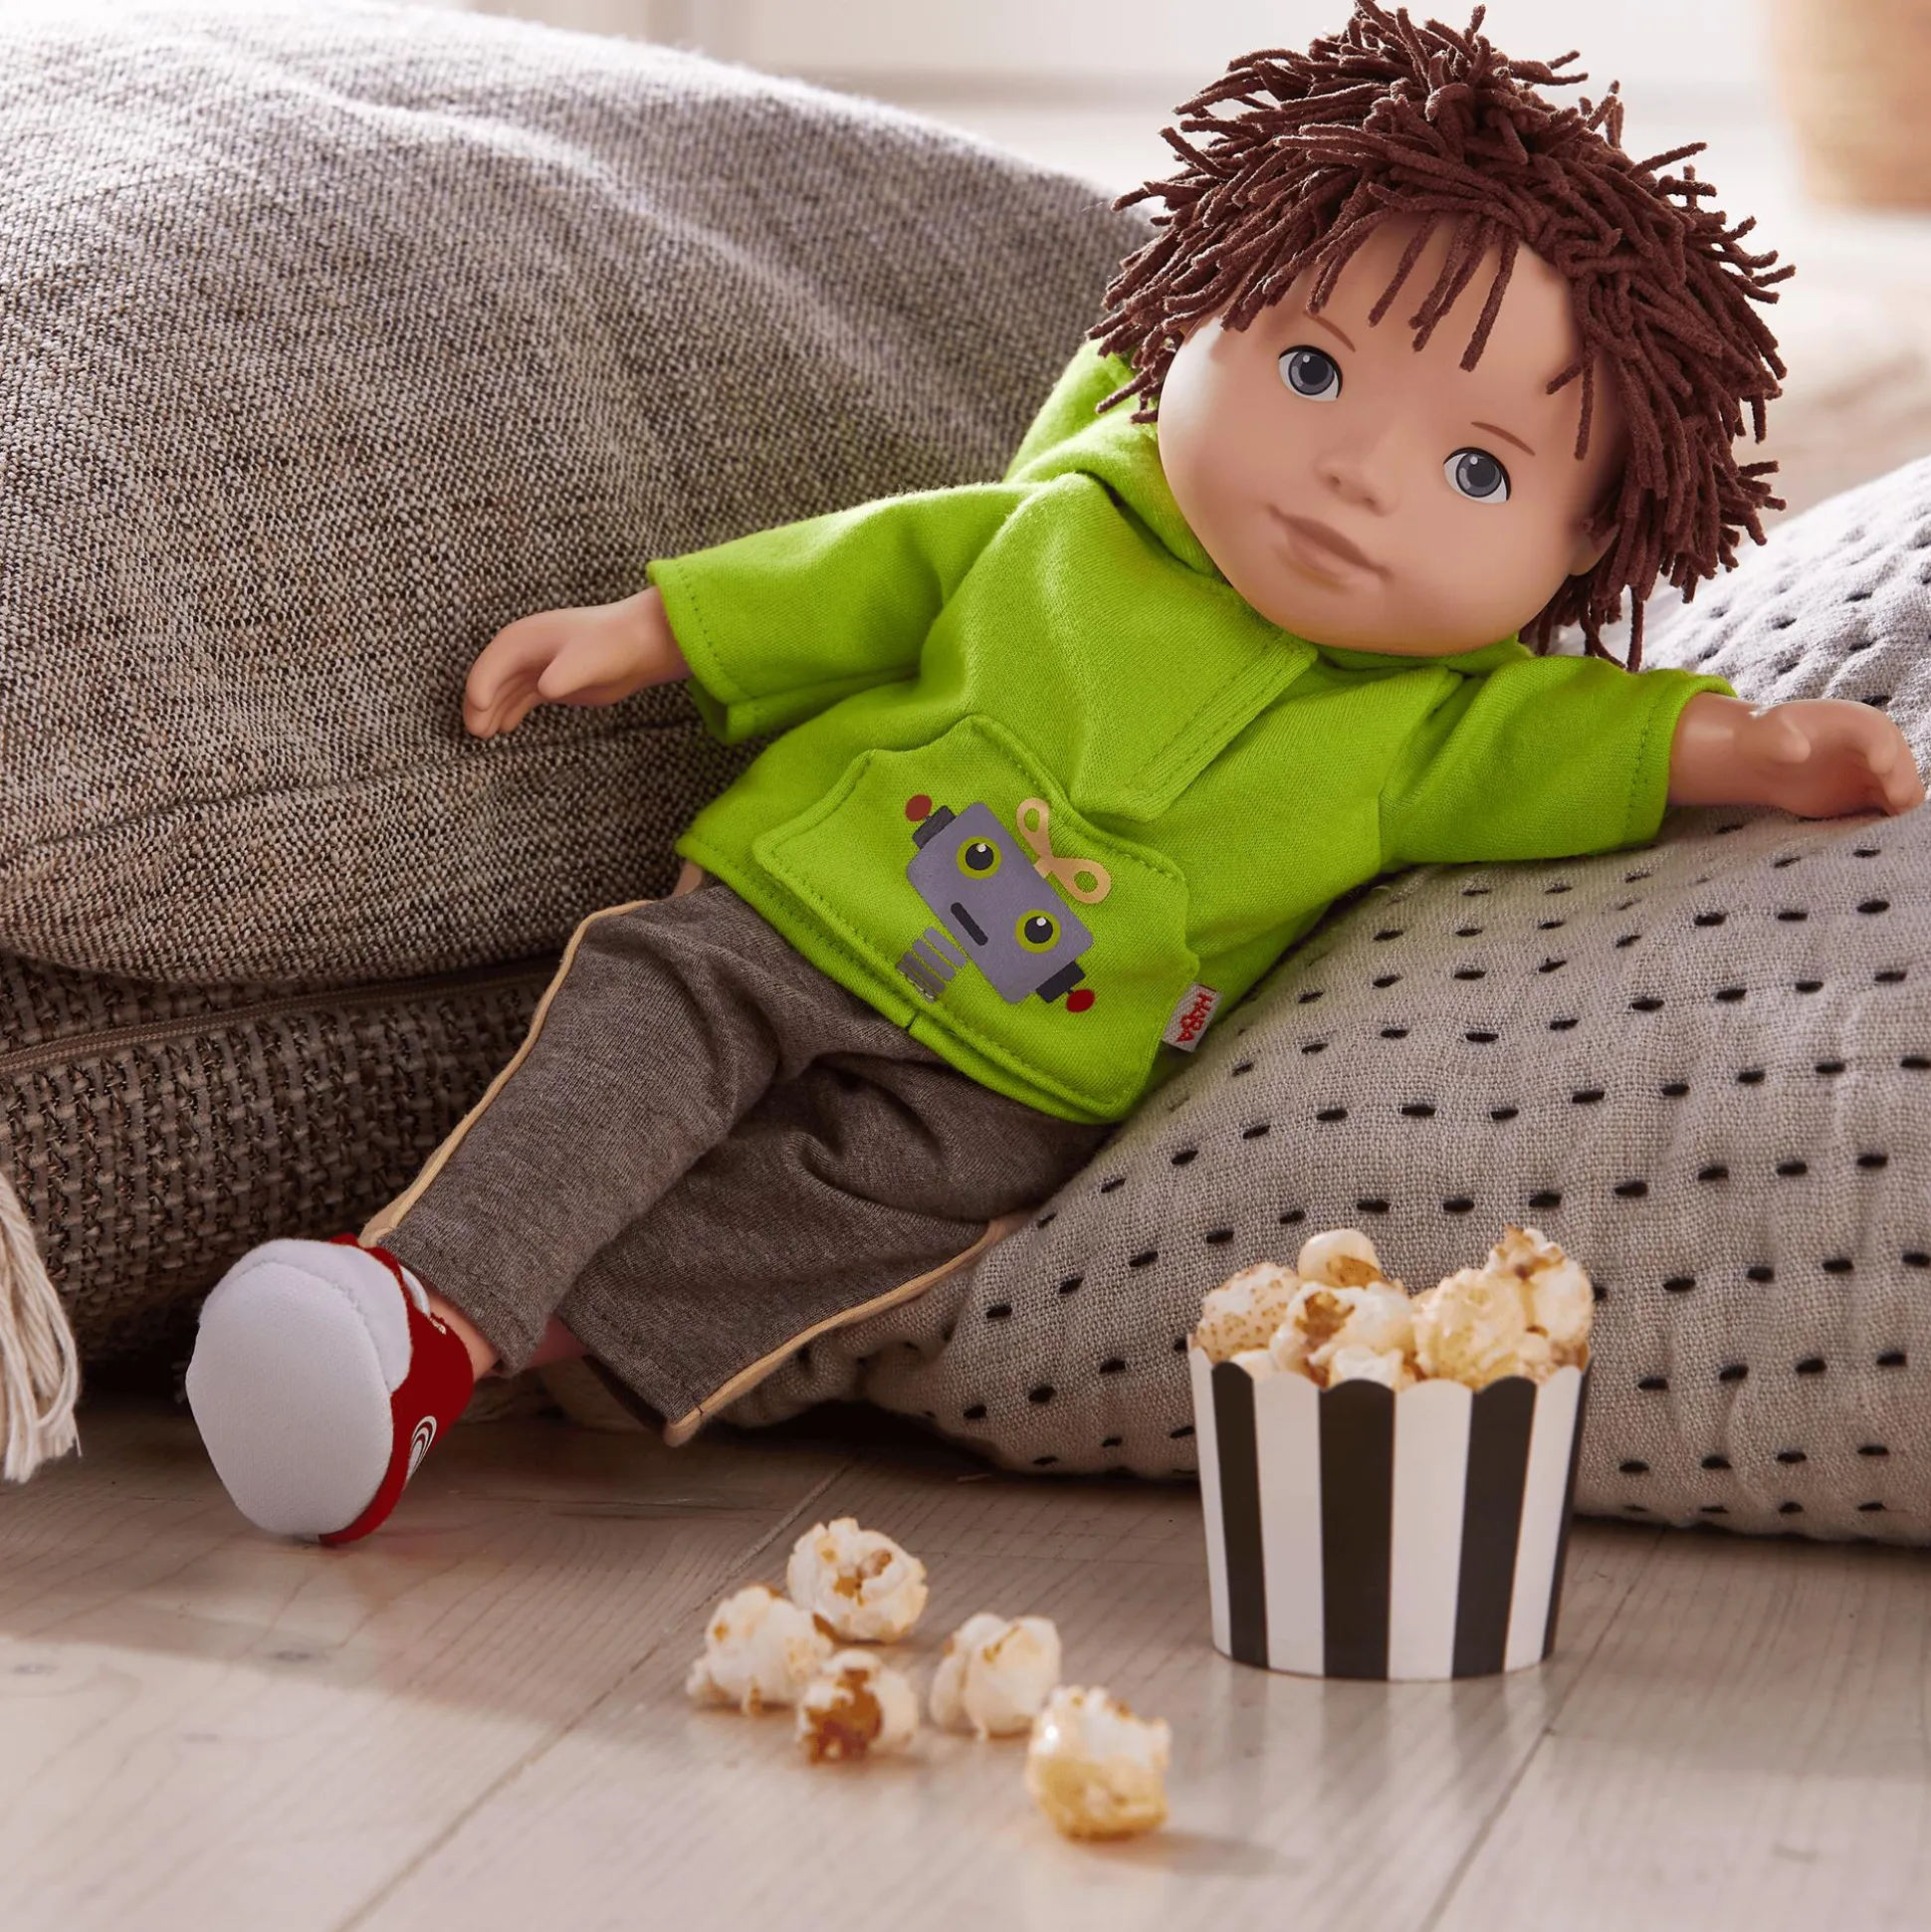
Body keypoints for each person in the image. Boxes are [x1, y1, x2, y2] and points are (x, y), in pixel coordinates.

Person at [185, 3, 1923, 1543]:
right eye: (1311, 369)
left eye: (1478, 471)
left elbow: (1600, 743)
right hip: (806, 900)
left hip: (1019, 1081)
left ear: (1586, 543)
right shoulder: (1073, 515)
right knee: (641, 1026)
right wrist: (652, 629)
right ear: (1195, 322)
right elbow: (868, 571)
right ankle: (418, 1302)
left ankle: (516, 1351)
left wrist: (1761, 746)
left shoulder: (1438, 726)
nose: (1359, 476)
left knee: (852, 1215)